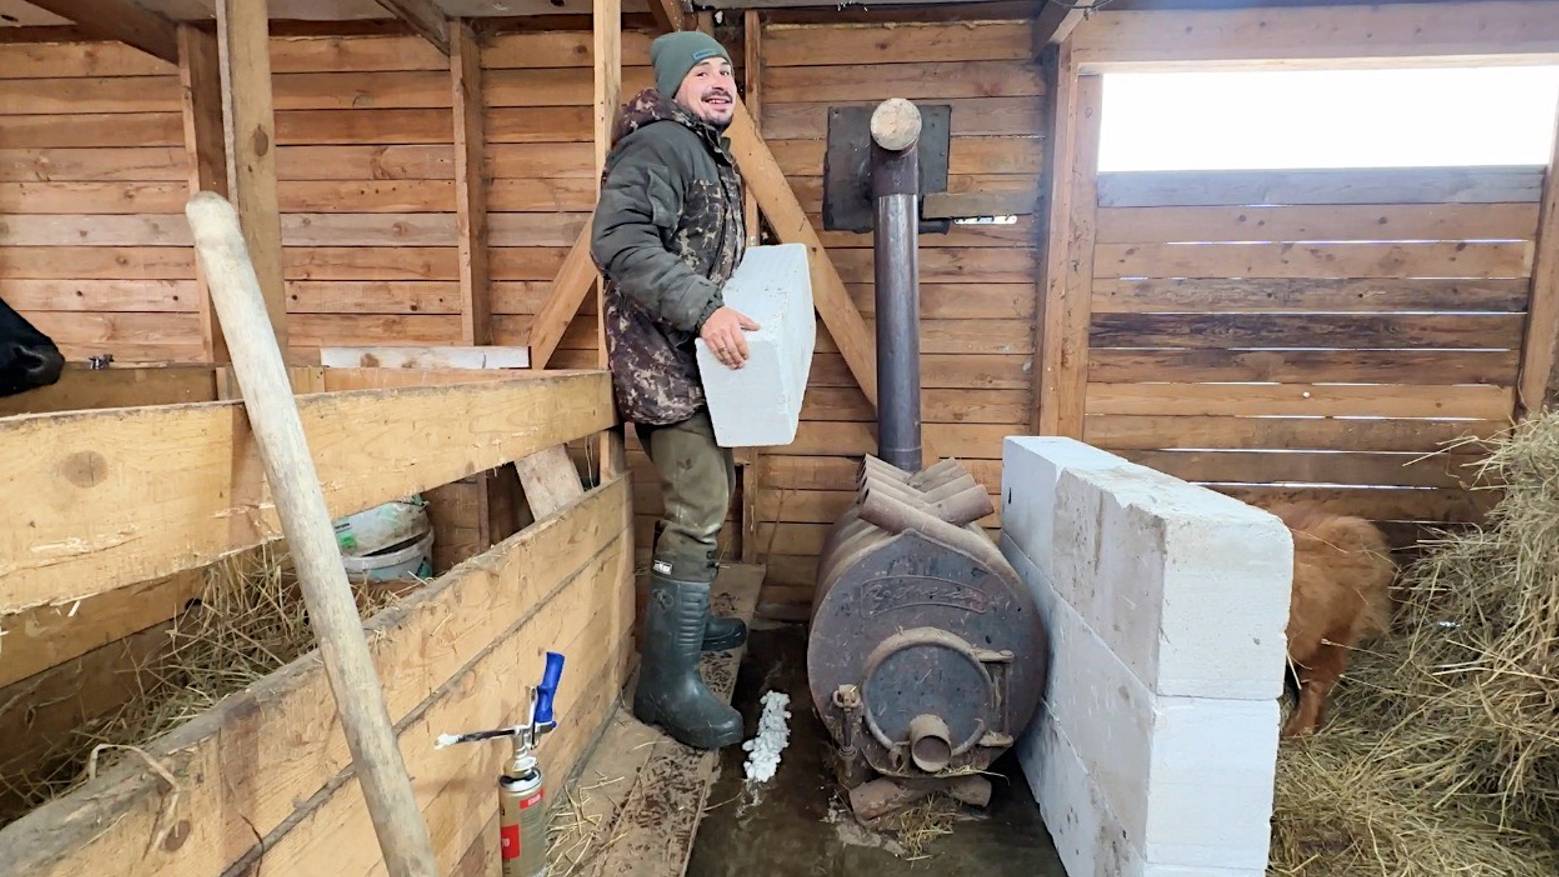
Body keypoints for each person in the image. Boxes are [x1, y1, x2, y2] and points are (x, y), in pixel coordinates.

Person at [590, 30, 760, 751]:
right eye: (701, 72)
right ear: (671, 86)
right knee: (700, 501)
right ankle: (665, 684)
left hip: (692, 359)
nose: (719, 80)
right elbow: (618, 239)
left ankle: (680, 628)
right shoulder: (660, 144)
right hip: (660, 360)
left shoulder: (706, 152)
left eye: (725, 71)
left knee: (710, 489)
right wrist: (705, 307)